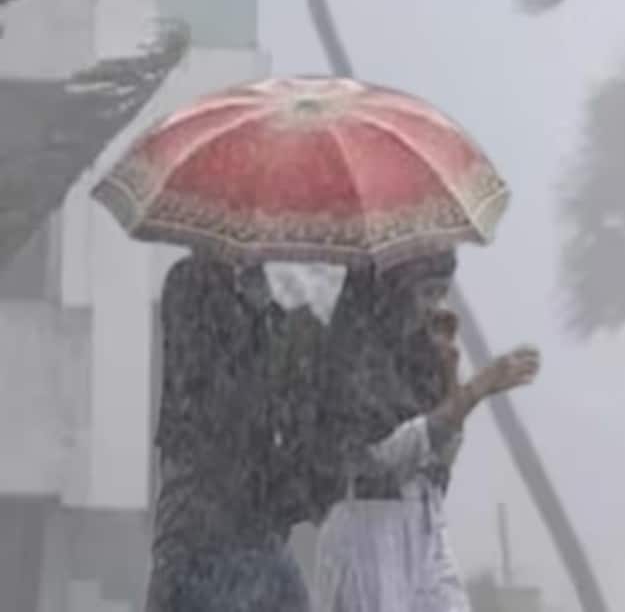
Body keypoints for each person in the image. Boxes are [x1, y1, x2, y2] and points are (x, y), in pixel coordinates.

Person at [313, 250, 541, 612]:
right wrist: (475, 390)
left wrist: (449, 370)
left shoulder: (419, 357)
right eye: (426, 293)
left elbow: (440, 459)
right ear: (394, 291)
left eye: (441, 292)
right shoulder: (351, 360)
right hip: (369, 532)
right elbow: (382, 460)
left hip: (424, 522)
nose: (435, 307)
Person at [145, 252, 330, 612]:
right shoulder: (193, 283)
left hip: (255, 528)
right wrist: (258, 316)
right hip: (199, 527)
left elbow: (288, 424)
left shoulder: (271, 310)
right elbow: (215, 400)